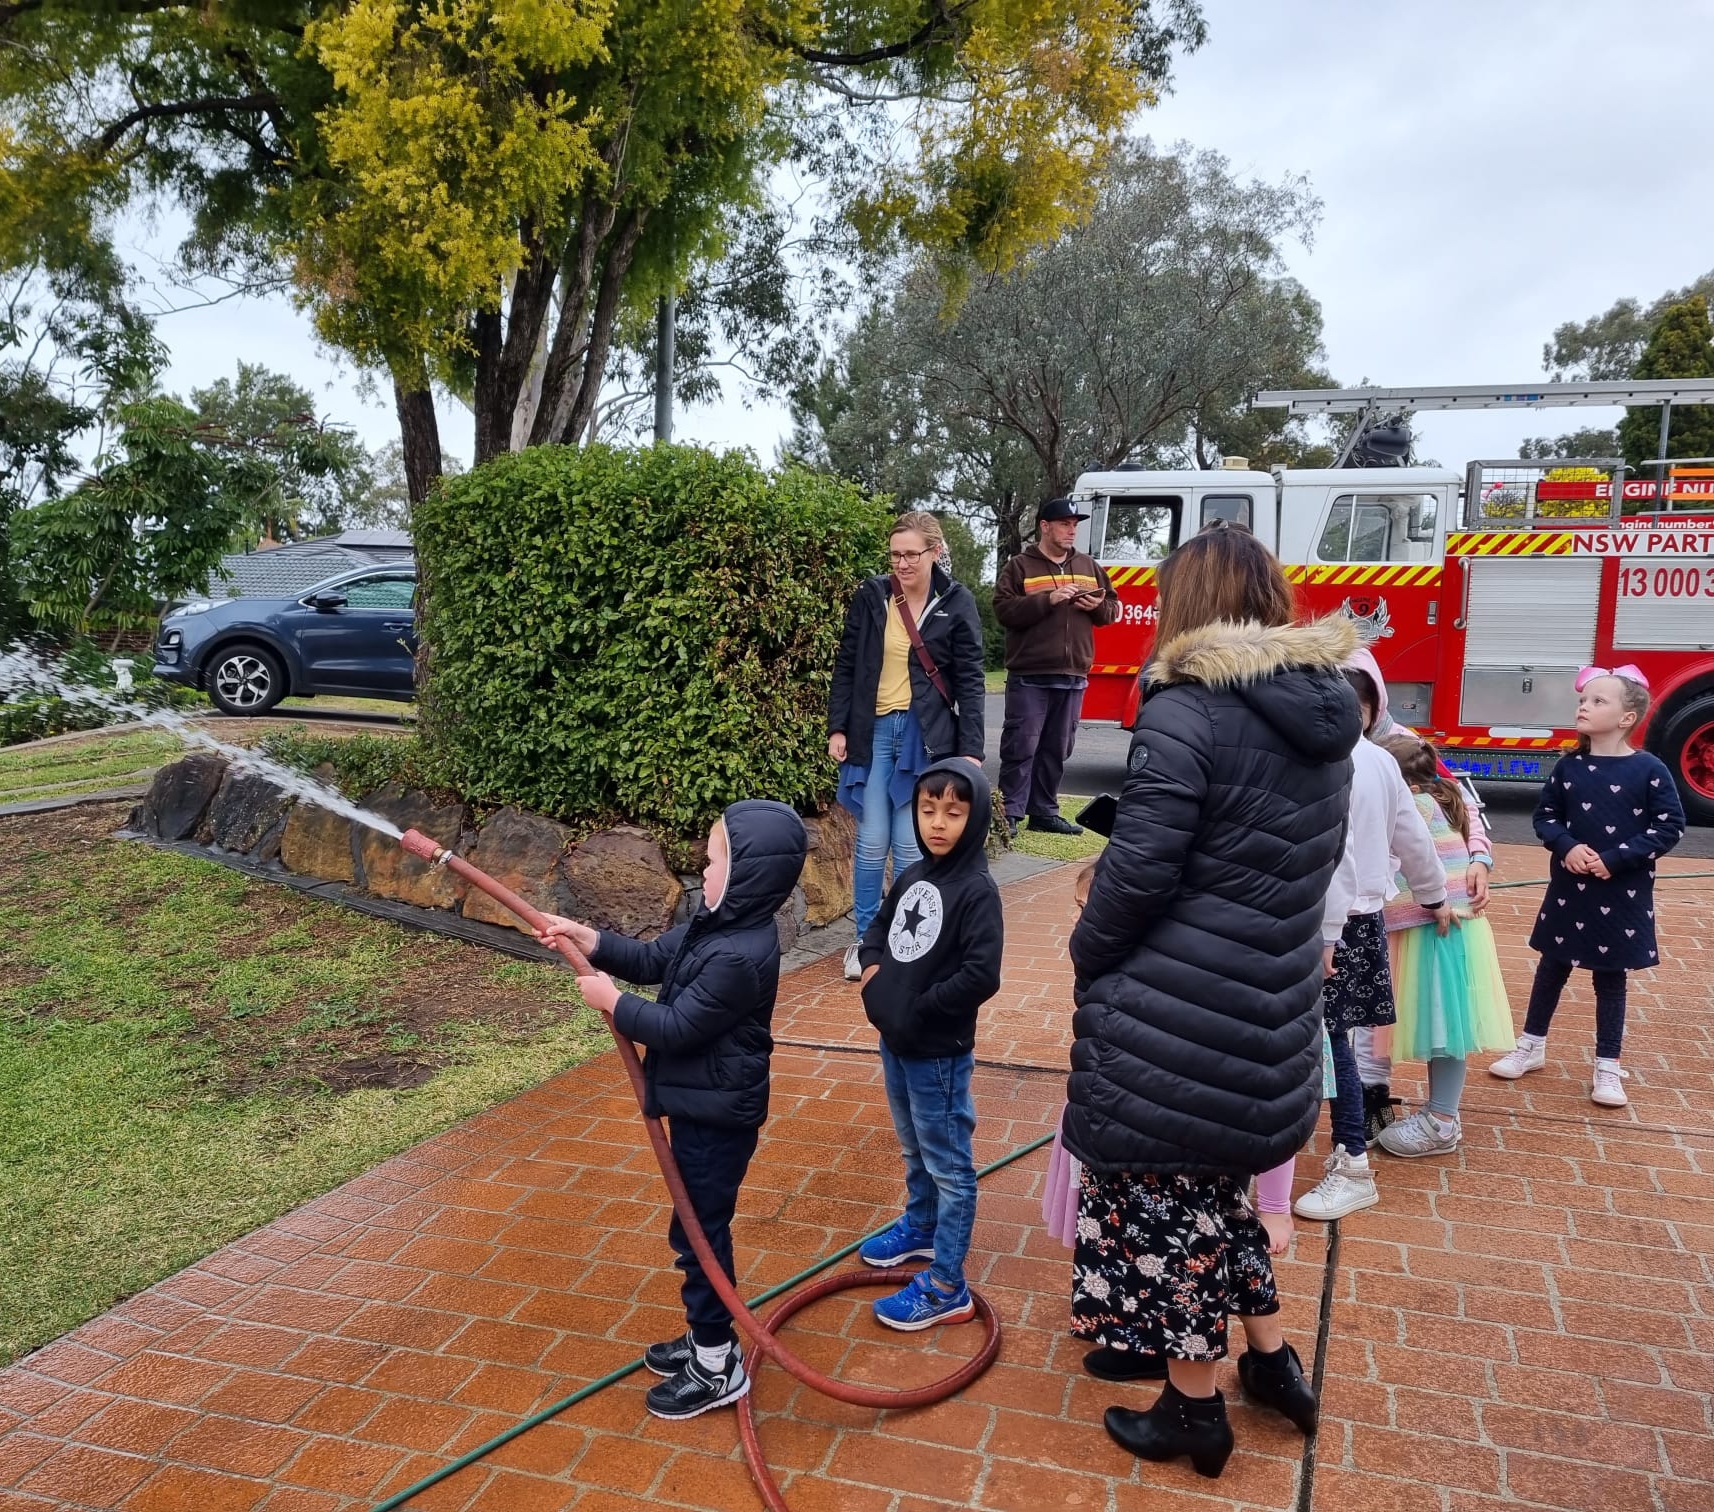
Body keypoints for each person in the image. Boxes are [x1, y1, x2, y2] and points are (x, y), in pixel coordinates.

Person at [1066, 522, 1362, 1478]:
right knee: (1221, 1196)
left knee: (1163, 1211)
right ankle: (1272, 1362)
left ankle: (1194, 1416)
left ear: (1189, 605)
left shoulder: (1187, 711)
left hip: (1178, 1011)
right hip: (1266, 1002)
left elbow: (1140, 870)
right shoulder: (1326, 716)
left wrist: (1087, 949)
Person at [534, 801, 807, 1420]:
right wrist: (592, 940)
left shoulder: (739, 955)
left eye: (714, 861)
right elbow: (657, 960)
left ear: (748, 878)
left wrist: (613, 1003)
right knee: (693, 1231)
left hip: (716, 1120)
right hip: (699, 1105)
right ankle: (707, 1337)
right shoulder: (716, 927)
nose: (702, 869)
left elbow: (678, 1027)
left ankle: (718, 1363)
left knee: (699, 1235)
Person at [1292, 670, 1452, 1225]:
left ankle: (1353, 1160)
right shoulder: (1381, 761)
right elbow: (1413, 838)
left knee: (1333, 1042)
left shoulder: (1333, 764)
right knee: (1335, 1038)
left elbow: (1336, 855)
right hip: (1355, 922)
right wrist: (1433, 895)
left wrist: (1327, 935)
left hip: (1329, 927)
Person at [1490, 668, 1685, 1107]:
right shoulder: (1569, 767)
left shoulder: (1649, 769)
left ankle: (1608, 1065)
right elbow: (1546, 818)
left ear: (1626, 718)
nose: (1584, 706)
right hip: (1568, 888)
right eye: (1584, 700)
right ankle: (1531, 1044)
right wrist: (1568, 846)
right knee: (1551, 966)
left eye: (1599, 702)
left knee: (1611, 977)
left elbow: (1669, 826)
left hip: (1622, 892)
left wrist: (1615, 859)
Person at [855, 759, 1004, 1329]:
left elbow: (981, 974)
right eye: (927, 809)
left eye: (953, 812)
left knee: (949, 1165)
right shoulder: (914, 874)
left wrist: (918, 1008)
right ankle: (919, 1227)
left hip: (938, 1053)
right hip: (896, 1042)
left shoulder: (977, 891)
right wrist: (872, 972)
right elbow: (878, 926)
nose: (938, 823)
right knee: (913, 1147)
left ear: (975, 816)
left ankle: (946, 1284)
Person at [1344, 648, 1496, 1145]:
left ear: (1376, 701)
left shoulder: (1401, 748)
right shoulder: (1324, 746)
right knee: (1368, 1018)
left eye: (1360, 700)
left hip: (1426, 913)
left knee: (1436, 1014)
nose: (1347, 711)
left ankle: (1440, 1116)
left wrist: (1479, 858)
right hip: (1369, 911)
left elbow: (1462, 804)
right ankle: (1370, 1100)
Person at [828, 511, 987, 982]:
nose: (902, 563)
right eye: (895, 554)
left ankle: (909, 941)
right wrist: (838, 727)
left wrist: (971, 750)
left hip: (926, 736)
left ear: (935, 552)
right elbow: (846, 665)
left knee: (910, 842)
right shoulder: (872, 595)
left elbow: (971, 681)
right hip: (872, 731)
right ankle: (865, 940)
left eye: (911, 554)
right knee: (872, 841)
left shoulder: (957, 602)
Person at [1372, 734, 1515, 1158]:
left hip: (1432, 929)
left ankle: (1442, 1121)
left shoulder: (1412, 807)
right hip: (1442, 930)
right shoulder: (1441, 797)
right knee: (1443, 1026)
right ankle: (1440, 1116)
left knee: (1444, 1027)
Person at [993, 498, 1119, 836]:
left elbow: (1112, 610)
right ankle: (1010, 814)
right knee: (1021, 745)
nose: (1071, 529)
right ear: (1044, 526)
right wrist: (1047, 600)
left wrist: (1097, 606)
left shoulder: (1088, 565)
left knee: (1057, 748)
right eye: (1064, 523)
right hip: (1030, 675)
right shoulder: (1019, 566)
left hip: (1074, 673)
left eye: (1074, 524)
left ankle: (1044, 811)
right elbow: (1004, 611)